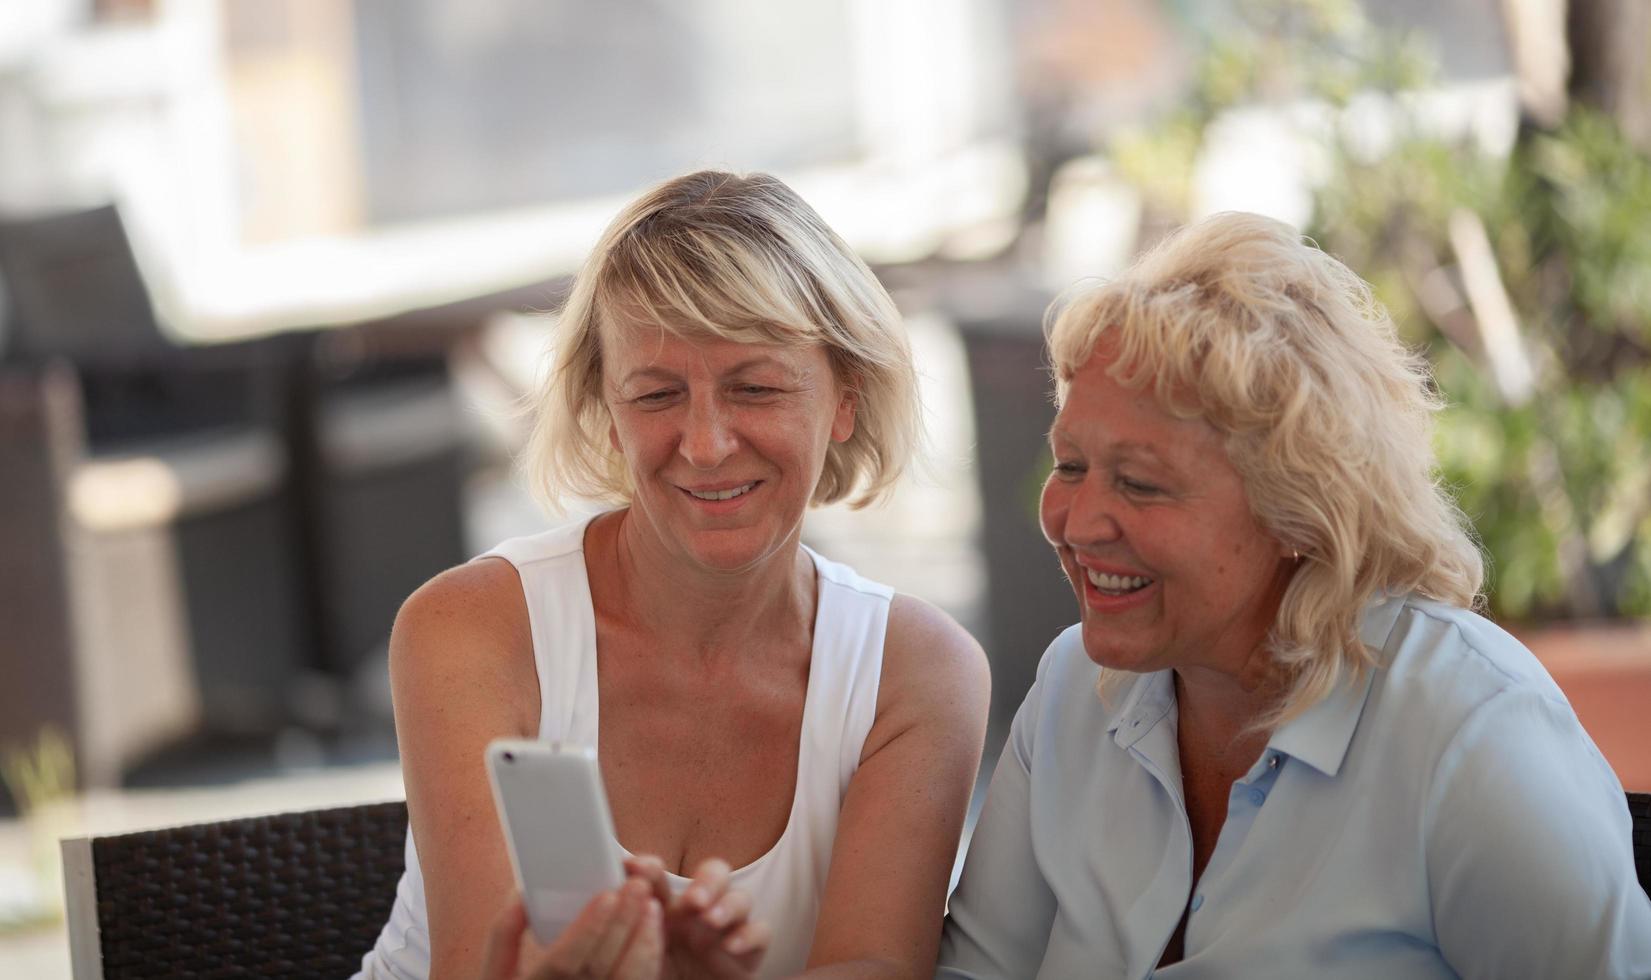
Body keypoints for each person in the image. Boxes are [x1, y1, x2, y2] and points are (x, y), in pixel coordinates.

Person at [937, 212, 1651, 979]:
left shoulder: (1468, 733)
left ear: (1297, 511)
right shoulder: (1071, 689)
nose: (1075, 523)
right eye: (1070, 466)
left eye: (1139, 483)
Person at [354, 170, 990, 980]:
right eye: (656, 395)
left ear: (844, 399)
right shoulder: (474, 628)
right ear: (606, 415)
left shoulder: (918, 673)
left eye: (753, 388)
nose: (705, 443)